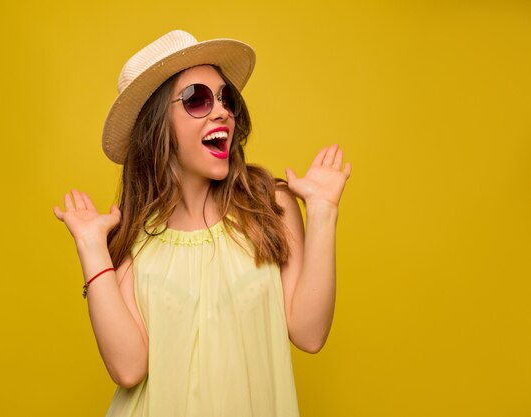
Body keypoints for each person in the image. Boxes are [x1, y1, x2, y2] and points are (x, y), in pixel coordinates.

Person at [53, 30, 351, 417]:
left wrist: (324, 211)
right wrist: (92, 247)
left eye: (226, 98)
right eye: (197, 99)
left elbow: (309, 335)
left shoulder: (270, 206)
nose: (222, 110)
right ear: (158, 126)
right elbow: (128, 369)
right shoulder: (131, 241)